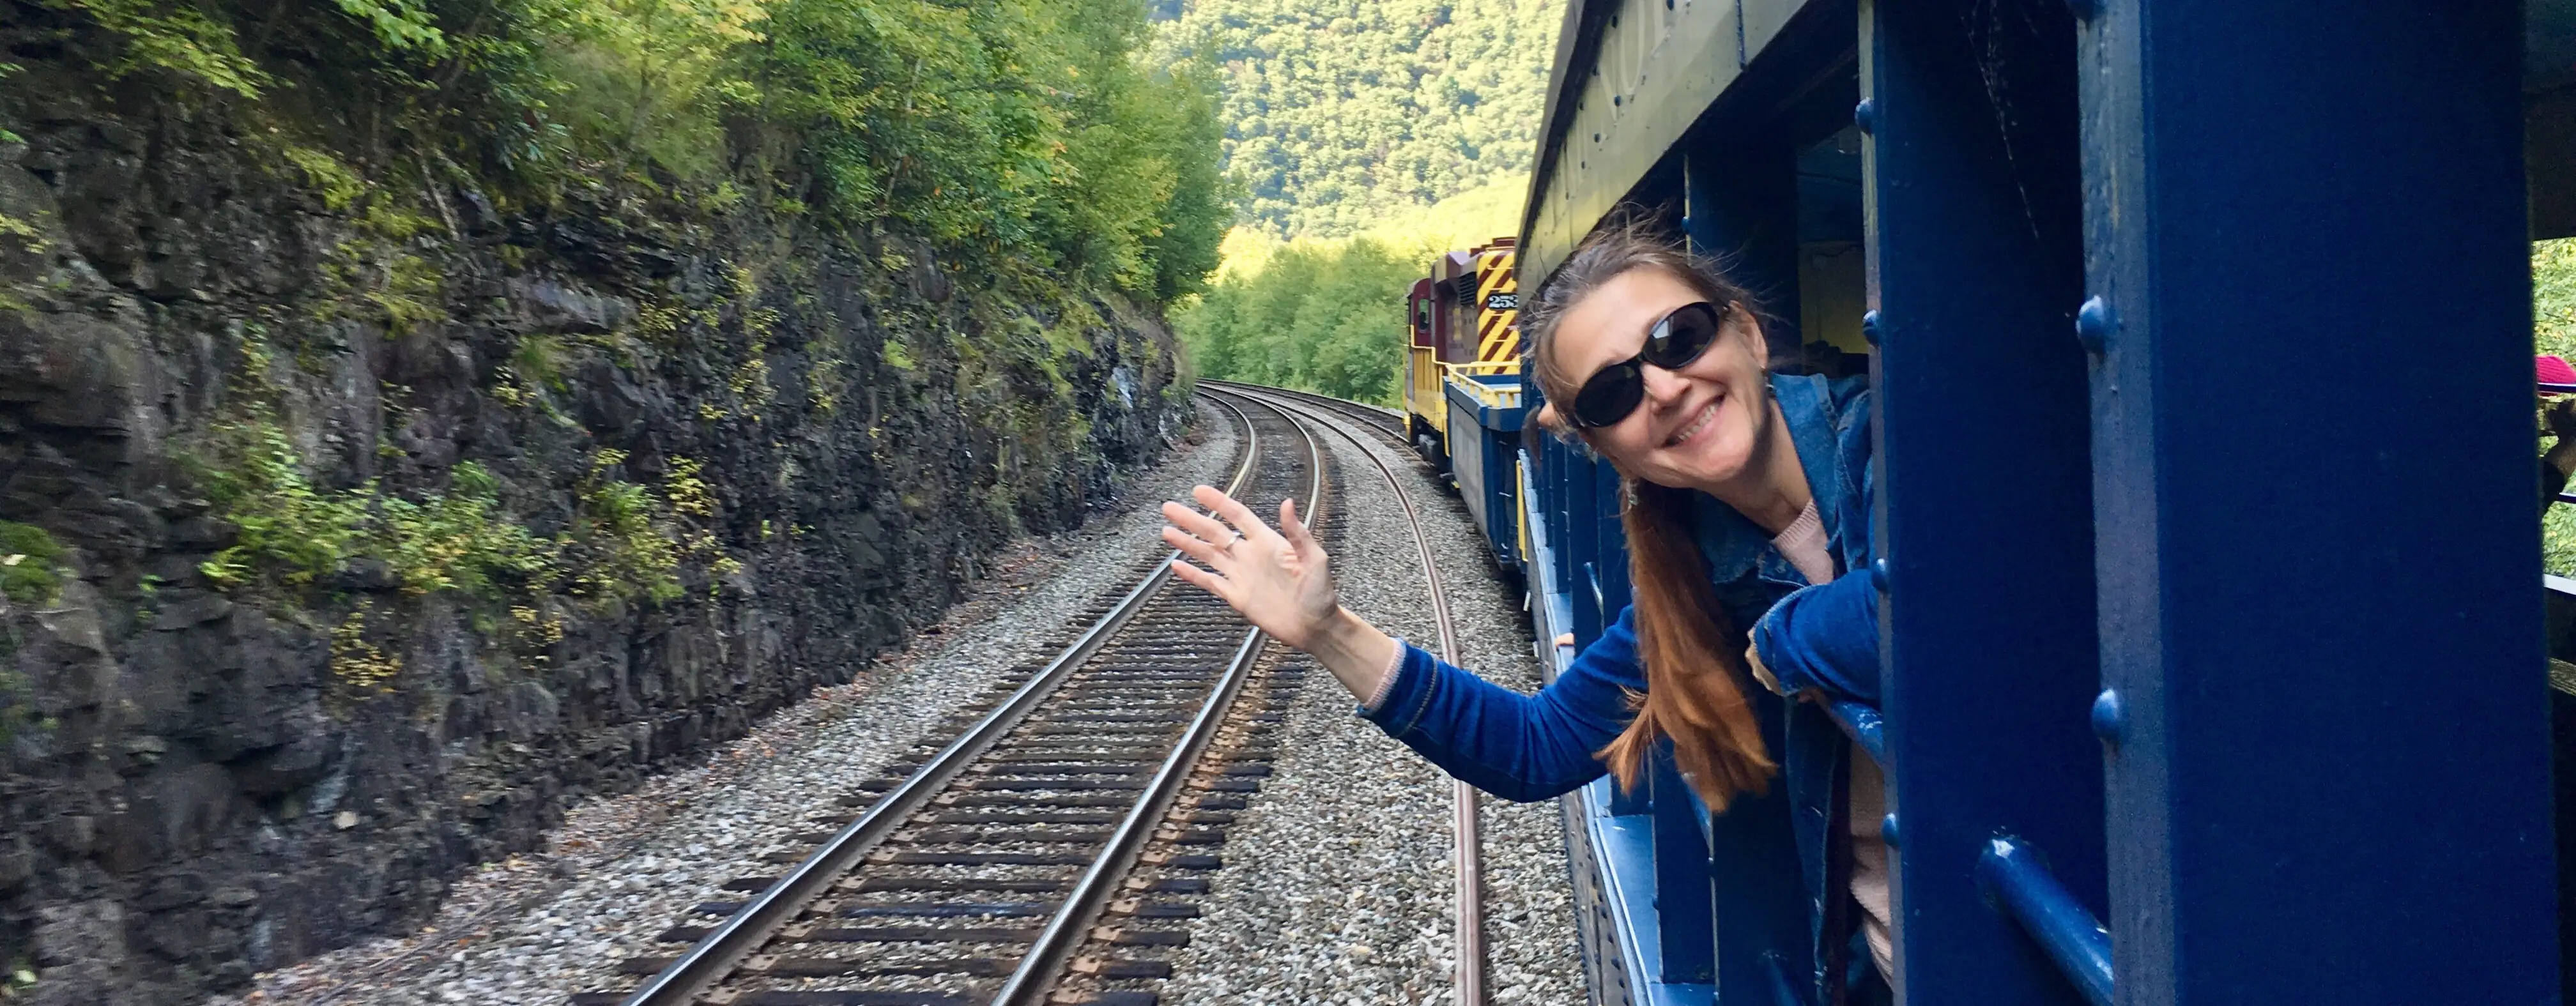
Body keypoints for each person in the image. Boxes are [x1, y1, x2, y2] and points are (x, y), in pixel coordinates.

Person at [1160, 224, 1890, 1005]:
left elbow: (1942, 601)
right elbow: (1536, 746)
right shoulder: (1697, 581)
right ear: (1601, 446)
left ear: (1744, 330)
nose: (1665, 388)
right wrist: (1327, 630)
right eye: (1613, 394)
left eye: (1679, 338)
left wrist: (1787, 638)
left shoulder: (1896, 444)